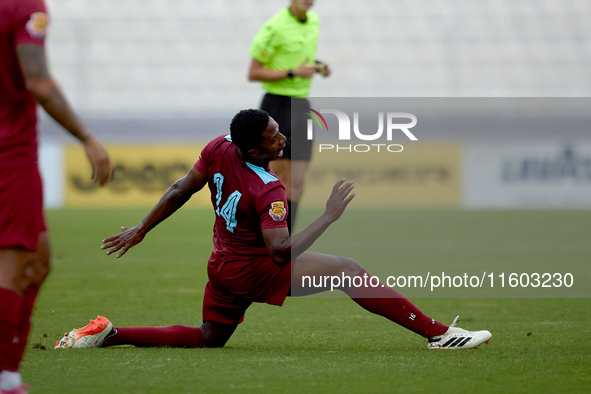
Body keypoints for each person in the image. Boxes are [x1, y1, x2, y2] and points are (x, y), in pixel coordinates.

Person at [54, 109, 491, 352]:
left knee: (210, 339)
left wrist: (142, 229)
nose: (281, 138)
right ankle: (439, 334)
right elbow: (280, 252)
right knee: (347, 269)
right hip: (250, 267)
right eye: (273, 137)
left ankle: (111, 333)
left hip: (222, 266)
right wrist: (328, 216)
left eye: (278, 130)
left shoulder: (218, 148)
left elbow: (179, 188)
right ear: (252, 149)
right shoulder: (269, 188)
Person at [0, 0, 112, 392]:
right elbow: (39, 82)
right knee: (15, 264)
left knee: (39, 260)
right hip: (8, 154)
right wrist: (88, 138)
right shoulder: (23, 6)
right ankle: (6, 379)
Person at [248, 0, 331, 234]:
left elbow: (298, 59)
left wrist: (317, 66)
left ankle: (285, 245)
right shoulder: (274, 27)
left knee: (297, 184)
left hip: (302, 107)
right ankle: (267, 243)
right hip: (277, 104)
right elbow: (254, 72)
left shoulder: (313, 20)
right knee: (279, 181)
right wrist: (292, 73)